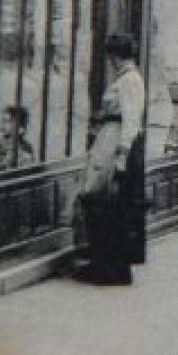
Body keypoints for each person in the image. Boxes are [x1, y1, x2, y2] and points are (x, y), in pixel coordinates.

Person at [75, 33, 145, 284]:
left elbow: (131, 119)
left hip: (115, 142)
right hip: (109, 137)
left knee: (104, 202)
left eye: (110, 55)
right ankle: (103, 263)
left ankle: (109, 268)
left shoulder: (129, 80)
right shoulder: (127, 78)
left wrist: (122, 156)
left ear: (114, 56)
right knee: (103, 203)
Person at [0, 105, 35, 170]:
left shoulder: (26, 146)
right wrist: (6, 163)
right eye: (3, 120)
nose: (2, 124)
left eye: (8, 121)